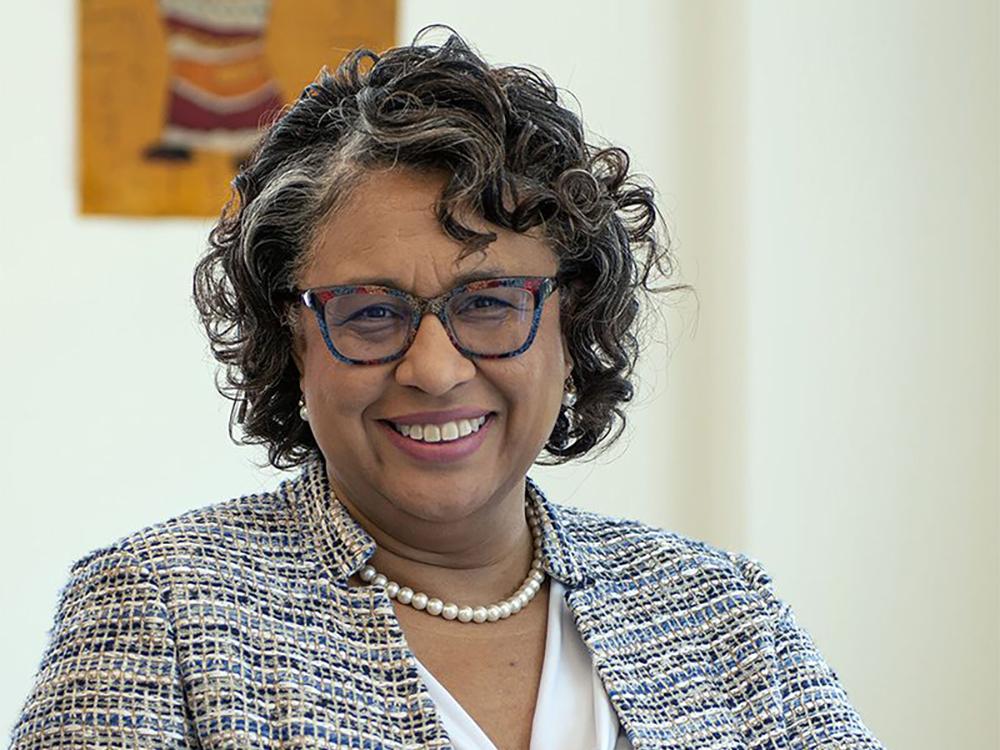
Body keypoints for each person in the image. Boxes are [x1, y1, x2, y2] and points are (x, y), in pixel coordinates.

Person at [11, 30, 885, 750]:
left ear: (570, 323)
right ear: (295, 339)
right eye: (369, 312)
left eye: (489, 301)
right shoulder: (157, 612)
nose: (433, 368)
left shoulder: (721, 614)